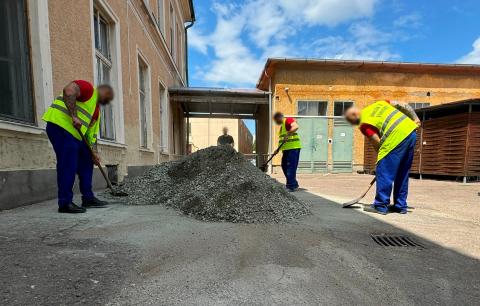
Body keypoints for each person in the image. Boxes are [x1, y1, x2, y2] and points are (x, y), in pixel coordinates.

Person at [42, 80, 114, 213]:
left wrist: (93, 153)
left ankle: (88, 198)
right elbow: (69, 90)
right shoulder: (88, 89)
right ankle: (65, 203)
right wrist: (74, 116)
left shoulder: (95, 111)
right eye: (107, 97)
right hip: (61, 127)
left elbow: (90, 135)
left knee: (87, 161)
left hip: (77, 135)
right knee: (68, 164)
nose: (107, 101)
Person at [344, 100, 421, 215]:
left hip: (396, 137)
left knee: (384, 171)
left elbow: (378, 143)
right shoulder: (380, 103)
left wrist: (380, 162)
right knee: (402, 172)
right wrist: (416, 119)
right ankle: (400, 206)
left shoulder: (364, 124)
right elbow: (404, 104)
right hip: (411, 132)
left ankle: (380, 205)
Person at [273, 112, 302, 192]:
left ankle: (290, 186)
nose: (276, 122)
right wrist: (277, 150)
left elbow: (296, 126)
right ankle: (294, 184)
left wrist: (288, 133)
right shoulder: (282, 127)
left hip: (293, 148)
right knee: (284, 166)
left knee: (290, 167)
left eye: (276, 119)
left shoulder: (288, 120)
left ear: (280, 118)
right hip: (286, 150)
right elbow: (282, 140)